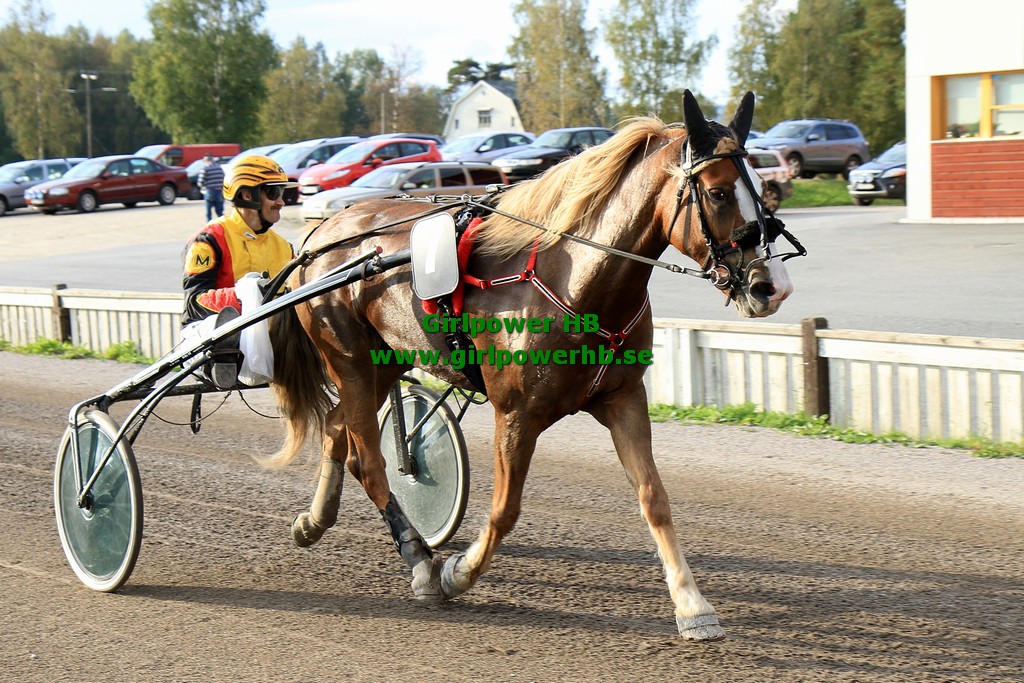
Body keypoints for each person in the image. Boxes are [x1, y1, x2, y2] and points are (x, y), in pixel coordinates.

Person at [181, 154, 296, 388]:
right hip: (214, 335)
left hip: (275, 338)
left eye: (283, 192)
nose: (281, 202)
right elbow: (194, 303)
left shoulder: (285, 247)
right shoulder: (210, 239)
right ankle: (225, 360)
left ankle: (377, 359)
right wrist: (247, 297)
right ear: (246, 195)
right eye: (273, 193)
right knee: (229, 322)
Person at [197, 153, 226, 221]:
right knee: (220, 212)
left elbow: (200, 182)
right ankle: (223, 225)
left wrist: (203, 186)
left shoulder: (205, 168)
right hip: (220, 192)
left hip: (210, 192)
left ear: (205, 160)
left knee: (208, 213)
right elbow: (223, 178)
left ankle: (209, 225)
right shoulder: (219, 168)